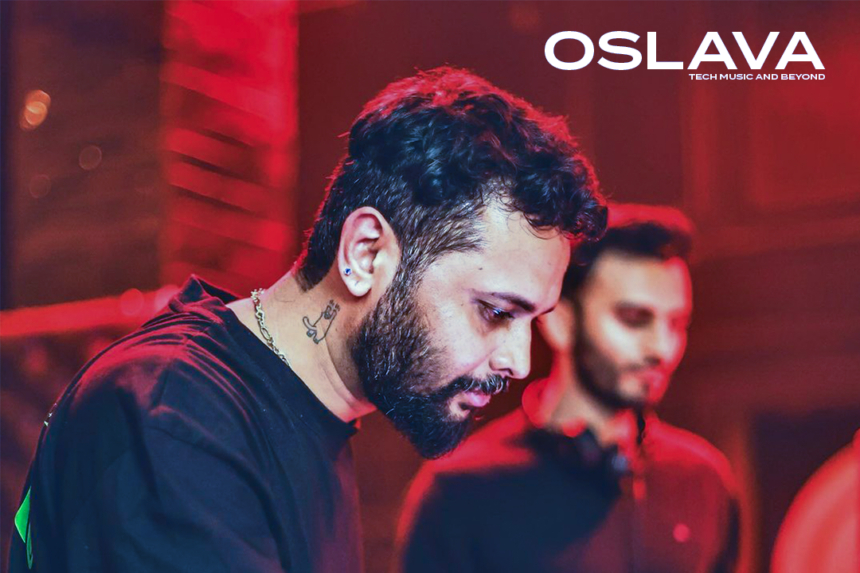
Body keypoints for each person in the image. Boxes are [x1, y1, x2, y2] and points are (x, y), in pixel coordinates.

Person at [8, 67, 606, 573]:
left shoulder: (306, 416)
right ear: (365, 254)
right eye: (496, 311)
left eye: (532, 320)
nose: (518, 362)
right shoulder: (176, 418)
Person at [396, 204, 741, 573]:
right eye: (634, 319)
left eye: (676, 323)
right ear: (561, 322)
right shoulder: (459, 492)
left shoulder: (705, 481)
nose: (662, 348)